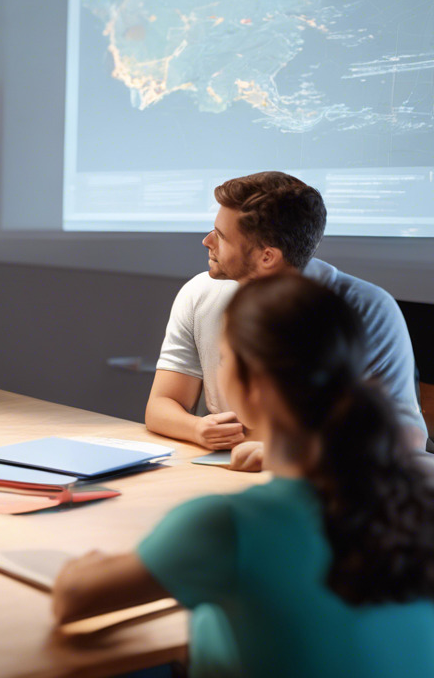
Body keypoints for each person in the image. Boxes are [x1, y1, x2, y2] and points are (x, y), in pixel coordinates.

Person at [53, 275, 434, 677]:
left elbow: (72, 597)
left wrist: (92, 562)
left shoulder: (226, 525)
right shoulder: (413, 500)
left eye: (222, 358)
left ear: (255, 386)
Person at [144, 171, 425, 463]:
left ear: (267, 257)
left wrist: (291, 455)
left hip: (334, 486)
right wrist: (198, 428)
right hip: (232, 469)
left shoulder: (366, 308)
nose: (206, 241)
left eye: (222, 236)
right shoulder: (200, 293)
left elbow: (404, 436)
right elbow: (161, 405)